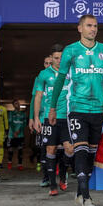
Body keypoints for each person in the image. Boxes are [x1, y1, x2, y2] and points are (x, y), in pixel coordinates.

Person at [49, 14, 103, 206]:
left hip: (98, 110)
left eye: (96, 26)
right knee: (79, 149)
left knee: (90, 154)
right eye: (89, 25)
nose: (93, 29)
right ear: (79, 28)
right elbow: (60, 80)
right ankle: (87, 196)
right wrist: (53, 107)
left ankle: (80, 193)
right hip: (77, 109)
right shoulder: (70, 51)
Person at [34, 44, 73, 196]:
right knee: (51, 149)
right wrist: (36, 117)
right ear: (51, 58)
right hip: (49, 119)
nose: (59, 61)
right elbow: (38, 96)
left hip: (67, 118)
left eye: (61, 58)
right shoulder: (43, 75)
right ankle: (52, 184)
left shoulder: (70, 72)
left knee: (69, 149)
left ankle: (63, 176)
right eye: (56, 58)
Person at [29, 56, 52, 186]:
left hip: (57, 117)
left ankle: (61, 173)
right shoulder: (39, 79)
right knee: (43, 148)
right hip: (42, 119)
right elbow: (33, 99)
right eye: (46, 63)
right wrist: (32, 118)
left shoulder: (61, 76)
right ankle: (46, 177)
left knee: (58, 148)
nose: (48, 65)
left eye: (50, 63)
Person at [7, 99, 27, 171]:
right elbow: (10, 122)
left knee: (20, 150)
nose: (17, 105)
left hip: (20, 135)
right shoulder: (11, 113)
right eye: (16, 103)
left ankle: (20, 164)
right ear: (13, 105)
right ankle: (9, 162)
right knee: (10, 149)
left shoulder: (23, 114)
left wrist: (19, 130)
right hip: (12, 135)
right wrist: (14, 131)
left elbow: (24, 124)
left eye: (18, 103)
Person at [0, 99, 9, 169]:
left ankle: (0, 162)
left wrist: (7, 129)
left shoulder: (3, 109)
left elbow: (6, 120)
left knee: (0, 146)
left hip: (1, 131)